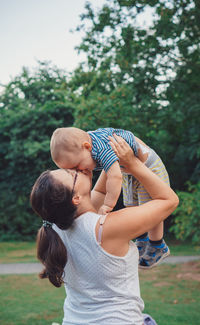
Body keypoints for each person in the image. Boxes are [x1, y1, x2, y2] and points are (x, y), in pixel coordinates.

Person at [30, 135, 179, 325]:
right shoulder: (106, 228)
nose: (77, 168)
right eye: (72, 174)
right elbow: (169, 200)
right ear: (75, 198)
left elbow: (100, 192)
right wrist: (133, 164)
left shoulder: (56, 228)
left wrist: (109, 158)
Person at [50, 127, 171, 268]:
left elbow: (115, 176)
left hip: (149, 168)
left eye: (77, 166)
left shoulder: (102, 149)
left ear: (87, 147)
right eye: (73, 171)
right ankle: (143, 239)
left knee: (150, 207)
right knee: (131, 204)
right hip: (130, 171)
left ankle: (157, 245)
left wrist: (108, 204)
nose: (80, 171)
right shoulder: (86, 147)